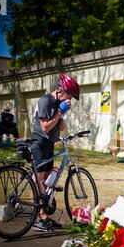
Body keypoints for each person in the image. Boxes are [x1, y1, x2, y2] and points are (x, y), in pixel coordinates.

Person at [31, 74, 80, 232]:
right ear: (60, 90)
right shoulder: (45, 101)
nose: (70, 99)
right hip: (39, 141)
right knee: (38, 180)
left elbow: (62, 128)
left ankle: (43, 216)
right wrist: (59, 112)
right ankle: (36, 217)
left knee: (46, 181)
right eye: (69, 95)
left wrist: (63, 114)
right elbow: (45, 127)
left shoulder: (60, 103)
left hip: (50, 142)